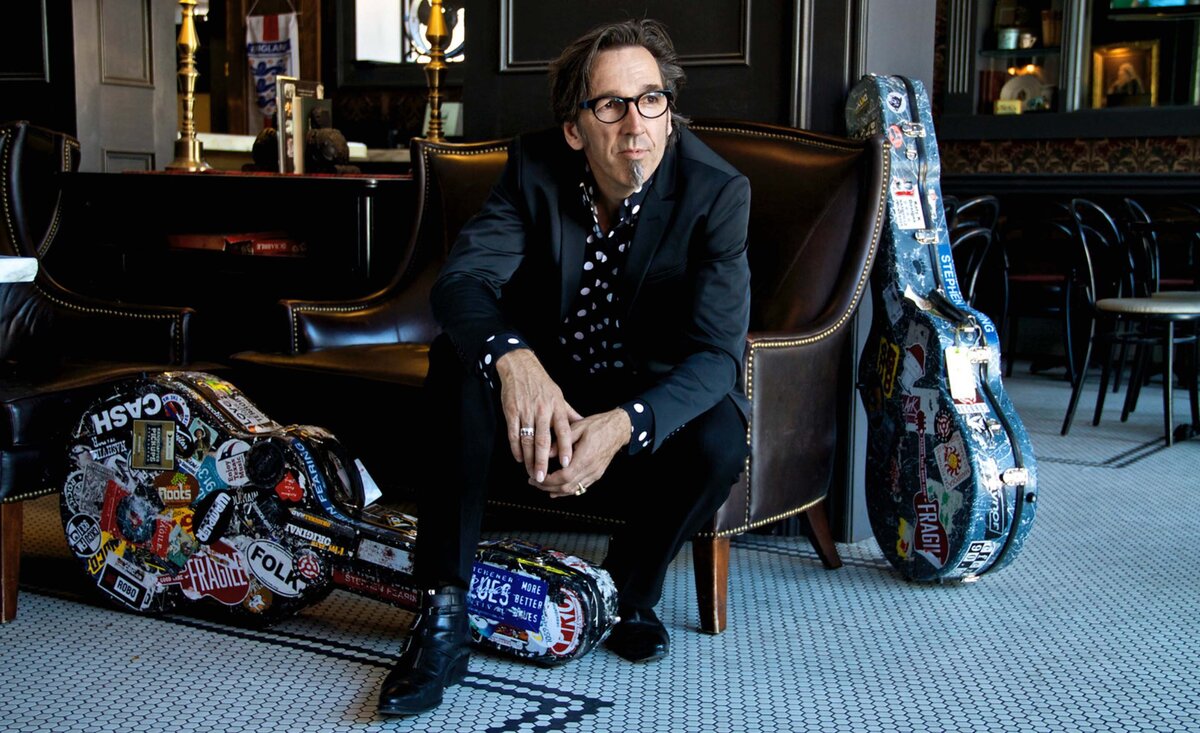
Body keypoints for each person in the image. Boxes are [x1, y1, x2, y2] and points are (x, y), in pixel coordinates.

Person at [378, 18, 752, 716]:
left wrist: (625, 425)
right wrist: (514, 360)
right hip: (542, 393)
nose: (634, 124)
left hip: (641, 399)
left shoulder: (716, 194)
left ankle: (626, 592)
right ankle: (443, 610)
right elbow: (461, 285)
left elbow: (717, 357)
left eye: (651, 100)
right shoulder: (534, 168)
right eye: (610, 105)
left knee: (722, 434)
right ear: (576, 128)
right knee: (459, 363)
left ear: (670, 110)